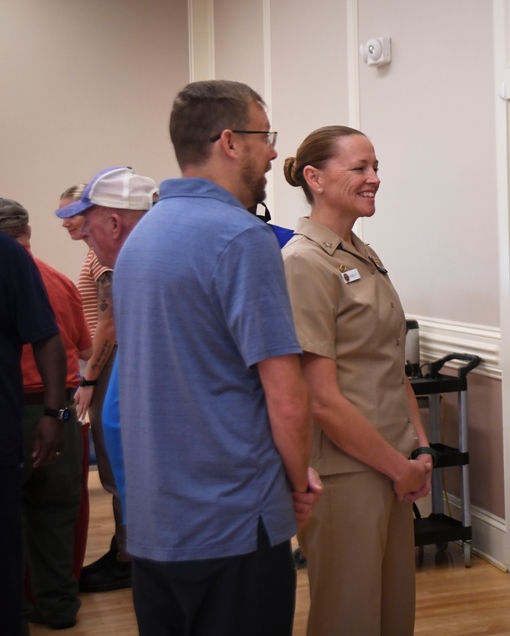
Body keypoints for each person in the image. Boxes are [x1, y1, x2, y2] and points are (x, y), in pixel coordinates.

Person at [111, 80, 321, 636]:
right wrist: (297, 484)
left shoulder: (141, 238)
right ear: (230, 141)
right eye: (265, 136)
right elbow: (287, 394)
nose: (275, 152)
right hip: (233, 522)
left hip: (157, 523)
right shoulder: (240, 238)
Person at [281, 126, 432, 636]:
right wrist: (398, 466)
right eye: (360, 168)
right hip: (346, 472)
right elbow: (321, 399)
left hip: (394, 464)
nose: (375, 179)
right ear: (314, 178)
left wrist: (420, 450)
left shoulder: (361, 254)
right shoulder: (303, 262)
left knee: (394, 616)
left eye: (375, 167)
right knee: (348, 617)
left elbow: (390, 364)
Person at [0, 198, 92, 630]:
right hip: (52, 408)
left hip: (15, 415)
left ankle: (16, 611)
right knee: (54, 518)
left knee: (11, 525)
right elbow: (81, 346)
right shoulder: (58, 280)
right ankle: (59, 608)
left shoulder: (7, 264)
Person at [56, 182, 130, 593]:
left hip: (109, 363)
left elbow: (111, 322)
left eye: (74, 214)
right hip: (104, 364)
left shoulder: (103, 261)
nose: (67, 223)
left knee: (116, 461)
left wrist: (88, 379)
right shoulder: (95, 255)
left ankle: (128, 556)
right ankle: (125, 549)